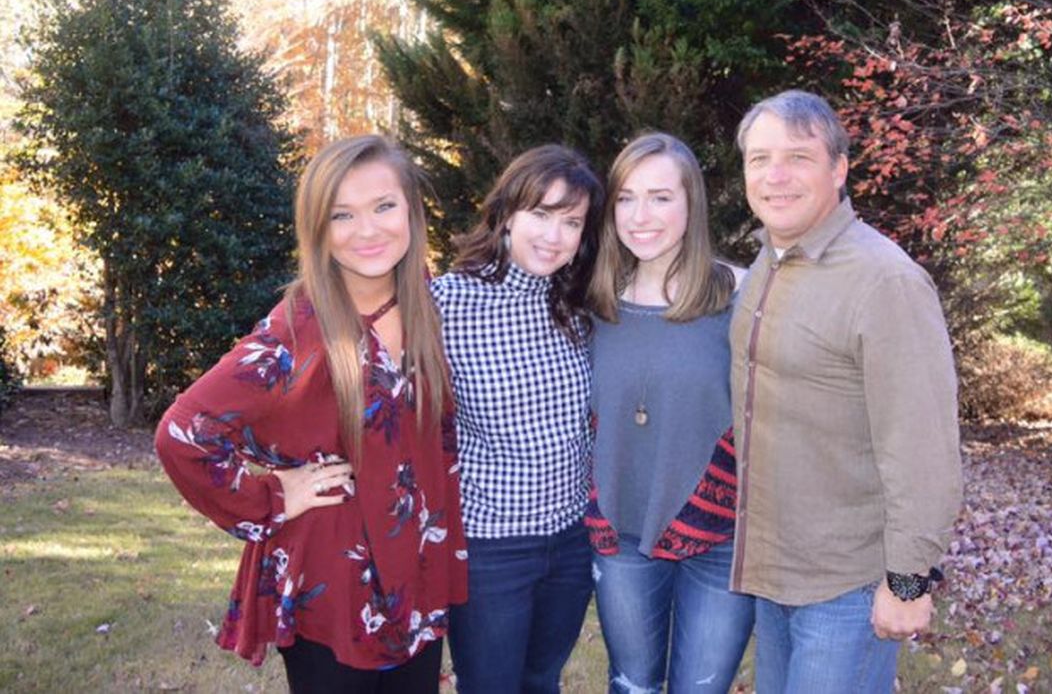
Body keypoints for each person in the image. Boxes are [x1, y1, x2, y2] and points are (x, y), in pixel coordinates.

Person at [155, 135, 466, 693]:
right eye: (342, 215)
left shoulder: (427, 301)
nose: (367, 230)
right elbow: (183, 434)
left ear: (412, 211)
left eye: (384, 206)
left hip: (416, 573)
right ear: (318, 228)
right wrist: (273, 496)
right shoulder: (297, 330)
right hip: (333, 583)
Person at [729, 90, 963, 693]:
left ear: (838, 169)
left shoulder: (885, 281)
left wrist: (907, 582)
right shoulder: (765, 267)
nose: (775, 175)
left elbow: (923, 449)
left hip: (846, 589)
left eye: (798, 157)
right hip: (773, 577)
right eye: (759, 159)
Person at [584, 132, 755, 693]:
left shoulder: (741, 295)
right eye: (626, 198)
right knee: (632, 684)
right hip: (622, 531)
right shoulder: (593, 299)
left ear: (691, 203)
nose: (641, 217)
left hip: (721, 535)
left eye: (660, 197)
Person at [431, 144, 604, 694]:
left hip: (571, 542)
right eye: (542, 214)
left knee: (541, 681)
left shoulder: (579, 305)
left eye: (572, 222)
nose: (555, 235)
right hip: (491, 547)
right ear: (506, 213)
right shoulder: (444, 304)